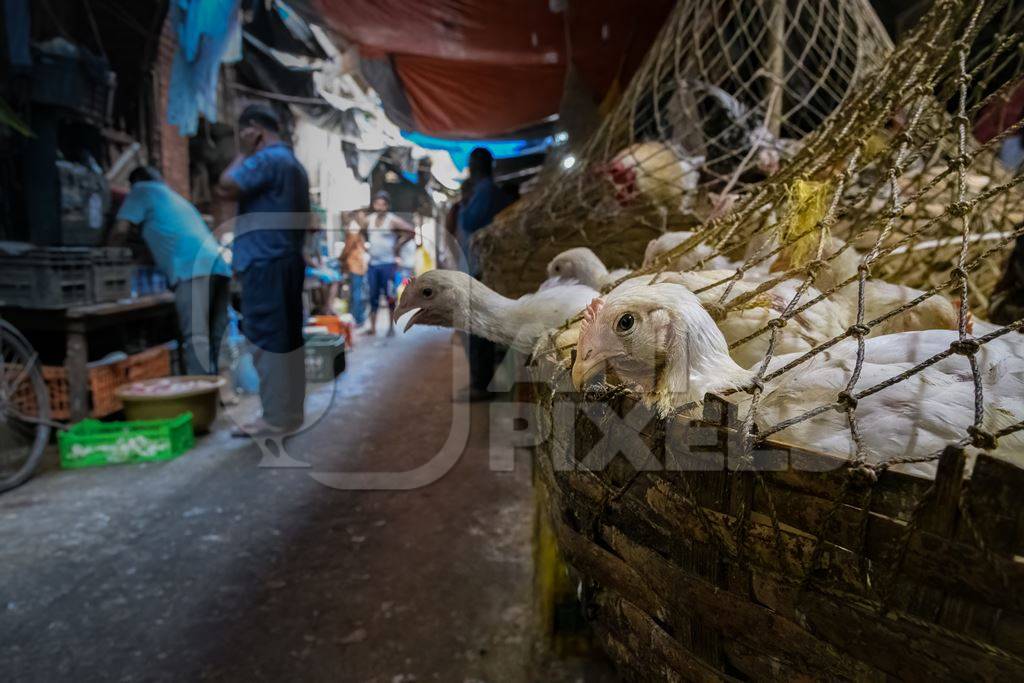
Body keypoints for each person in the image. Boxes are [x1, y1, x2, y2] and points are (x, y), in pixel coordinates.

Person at [216, 103, 310, 437]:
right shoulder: (293, 164)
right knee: (286, 339)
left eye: (242, 133)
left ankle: (275, 417)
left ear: (253, 129)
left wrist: (245, 151)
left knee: (268, 340)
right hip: (284, 259)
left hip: (266, 262)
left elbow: (226, 185)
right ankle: (288, 413)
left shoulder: (267, 159)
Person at [110, 166, 231, 376]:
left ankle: (202, 399)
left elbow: (120, 229)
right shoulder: (174, 198)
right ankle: (223, 395)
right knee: (215, 337)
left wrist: (107, 255)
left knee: (197, 339)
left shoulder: (141, 191)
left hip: (192, 269)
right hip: (219, 266)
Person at [456, 148, 512, 401]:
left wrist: (465, 201)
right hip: (483, 266)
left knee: (478, 329)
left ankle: (481, 385)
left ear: (475, 166)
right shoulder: (490, 191)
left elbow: (469, 221)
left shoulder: (484, 192)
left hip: (481, 268)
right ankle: (484, 382)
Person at [359, 191, 414, 336]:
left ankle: (391, 327)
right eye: (377, 204)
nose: (379, 207)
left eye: (383, 204)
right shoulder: (368, 220)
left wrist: (398, 245)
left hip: (388, 265)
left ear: (387, 206)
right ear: (373, 205)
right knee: (372, 296)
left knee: (390, 296)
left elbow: (411, 232)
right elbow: (360, 233)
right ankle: (372, 328)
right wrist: (365, 244)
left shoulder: (392, 220)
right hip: (373, 265)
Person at [339, 212, 369, 327]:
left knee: (356, 293)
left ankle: (356, 319)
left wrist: (340, 259)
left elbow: (347, 249)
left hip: (355, 265)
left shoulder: (353, 229)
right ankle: (358, 318)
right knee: (357, 292)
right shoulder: (356, 229)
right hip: (358, 264)